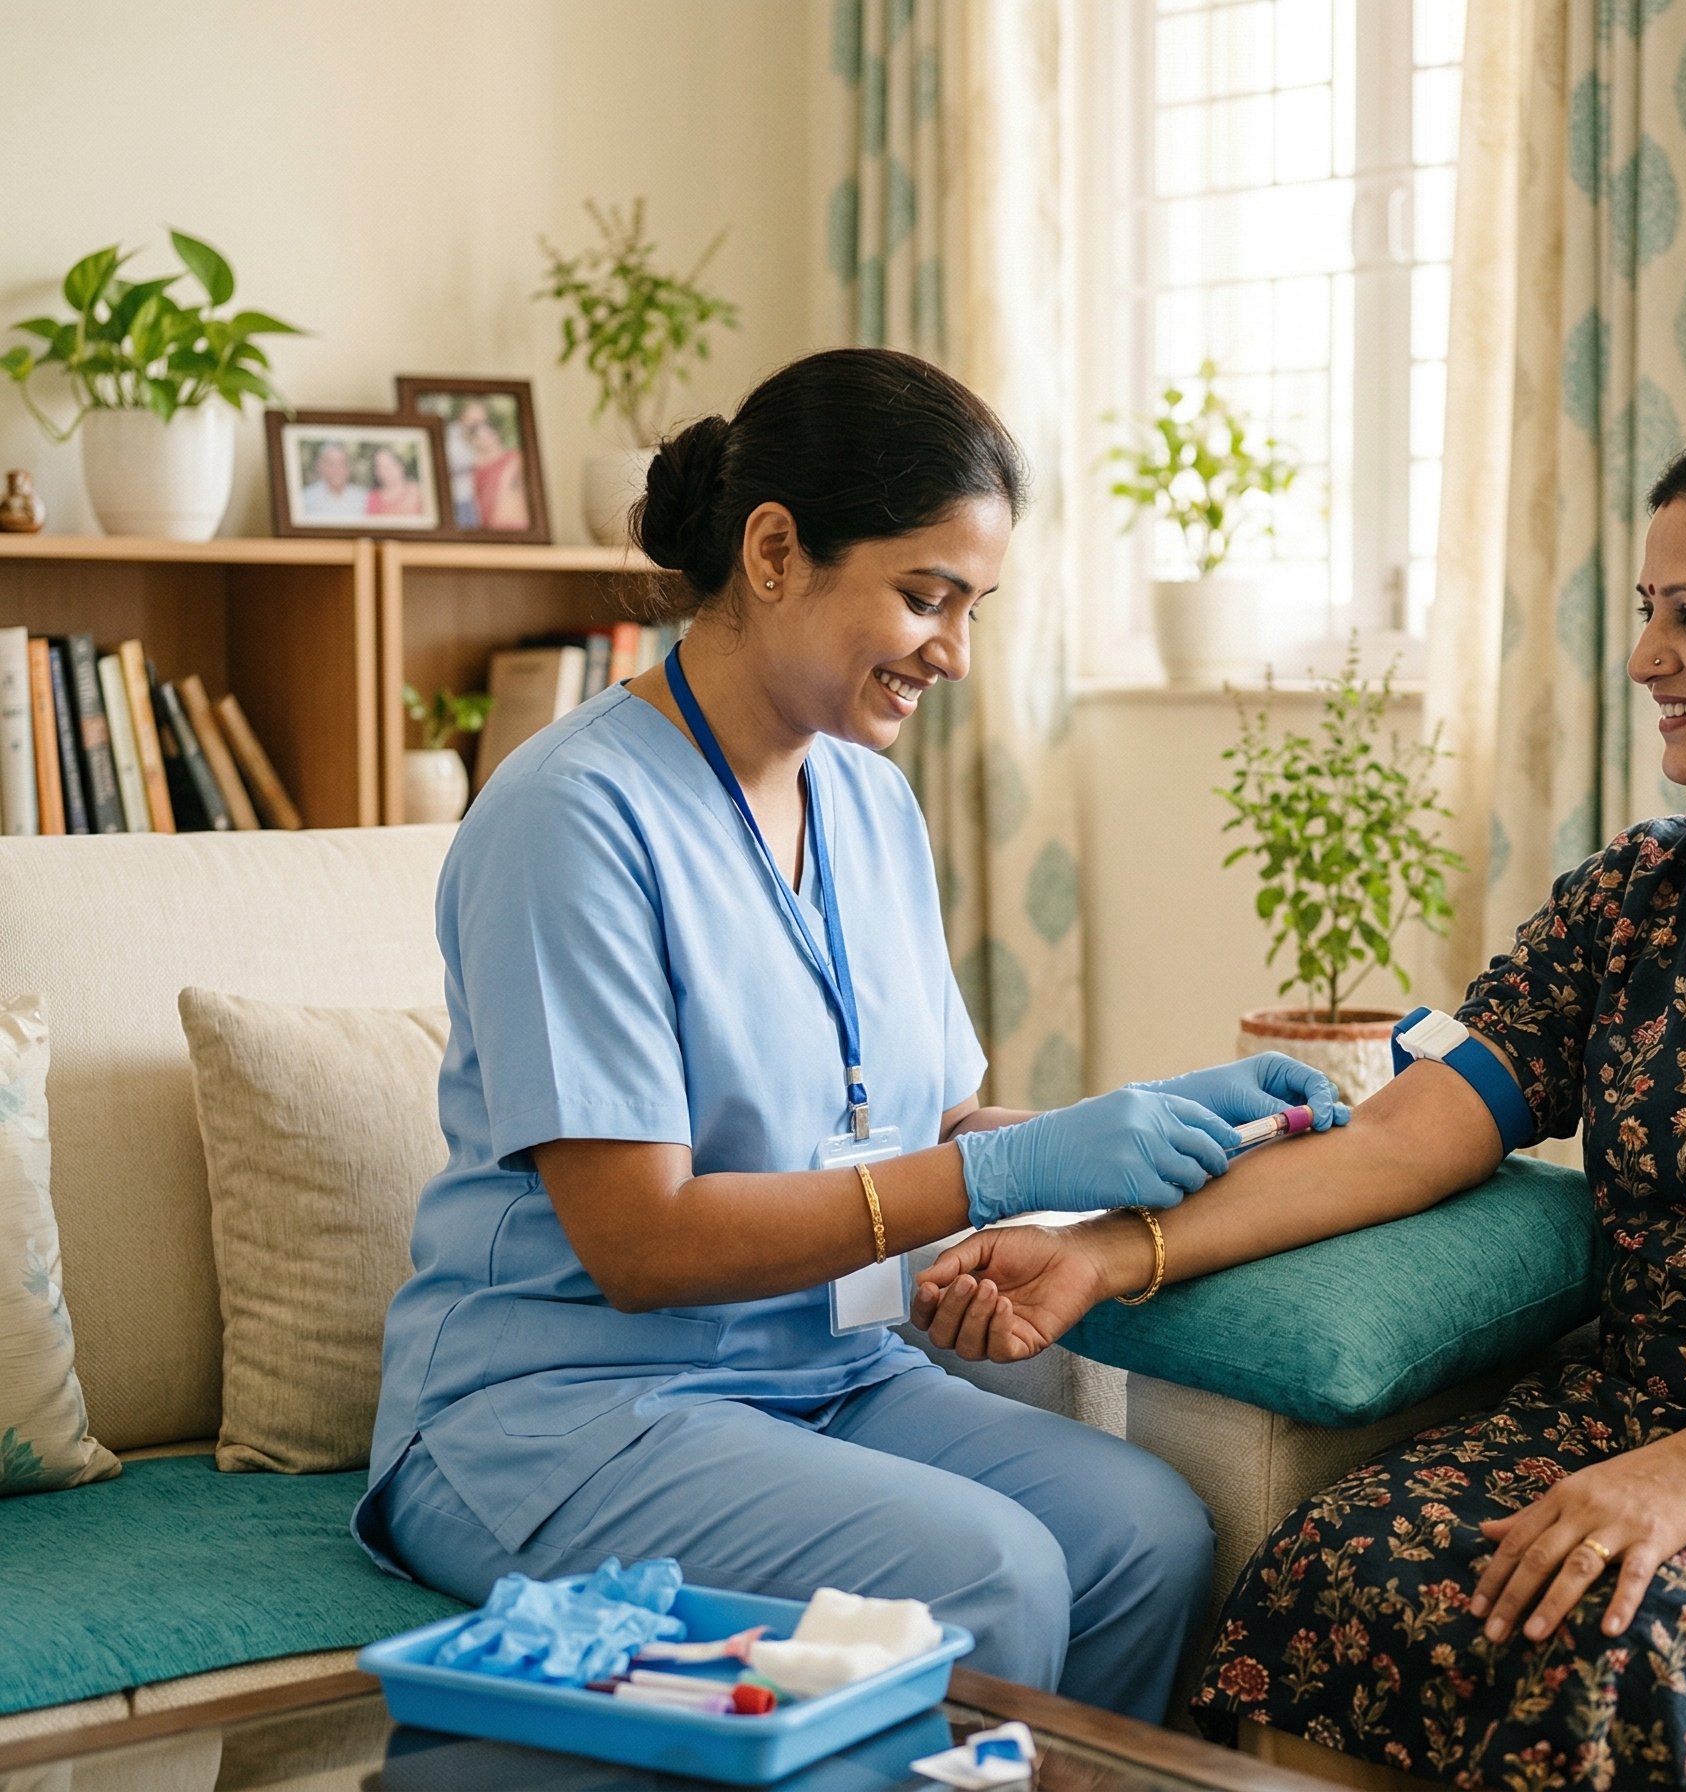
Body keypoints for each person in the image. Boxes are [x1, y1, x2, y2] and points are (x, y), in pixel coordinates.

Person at [914, 420, 1686, 1791]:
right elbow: (1403, 1139)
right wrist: (1103, 1249)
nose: (1646, 660)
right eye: (1648, 613)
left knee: (1605, 1639)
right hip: (1646, 1412)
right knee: (1339, 1576)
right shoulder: (1643, 896)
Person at [353, 347, 1343, 1725]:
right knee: (988, 1572)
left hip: (830, 1371)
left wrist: (1158, 1119)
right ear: (773, 552)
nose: (956, 649)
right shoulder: (568, 820)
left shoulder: (874, 810)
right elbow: (641, 1245)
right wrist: (995, 1174)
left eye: (975, 606)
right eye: (925, 595)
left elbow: (927, 1138)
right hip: (567, 1406)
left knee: (1145, 1536)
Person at [460, 399, 530, 531]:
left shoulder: (516, 460)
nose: (482, 432)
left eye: (486, 424)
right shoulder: (473, 472)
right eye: (473, 428)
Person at [299, 440, 368, 520]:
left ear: (349, 468)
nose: (337, 469)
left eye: (342, 463)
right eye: (331, 463)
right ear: (320, 467)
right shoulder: (305, 498)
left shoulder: (363, 498)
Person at [364, 444, 424, 518]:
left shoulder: (419, 492)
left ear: (401, 466)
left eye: (391, 464)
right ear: (376, 472)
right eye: (380, 466)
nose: (386, 470)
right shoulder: (373, 497)